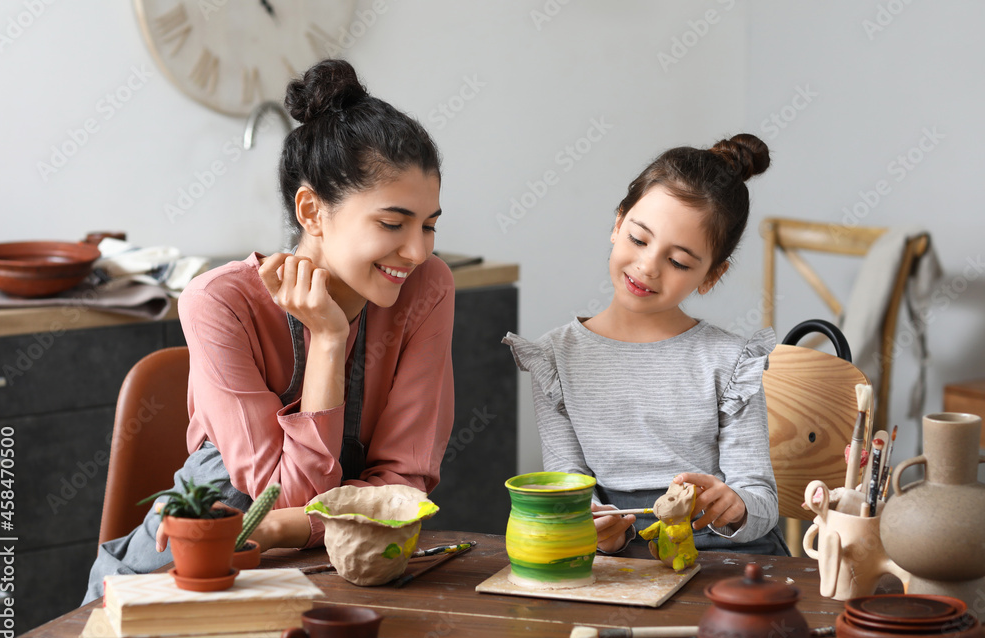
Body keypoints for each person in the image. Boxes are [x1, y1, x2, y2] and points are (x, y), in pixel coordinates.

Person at [84, 59, 455, 603]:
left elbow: (406, 486)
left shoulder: (428, 287)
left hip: (348, 565)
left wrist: (288, 527)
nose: (418, 251)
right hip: (196, 563)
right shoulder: (220, 301)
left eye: (429, 226)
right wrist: (327, 341)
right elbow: (283, 497)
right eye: (393, 224)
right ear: (311, 210)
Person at [503, 134, 789, 556]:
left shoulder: (730, 362)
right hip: (623, 556)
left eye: (678, 262)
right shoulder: (556, 358)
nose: (647, 266)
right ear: (618, 223)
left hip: (724, 557)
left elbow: (762, 504)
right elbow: (569, 483)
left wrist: (735, 507)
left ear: (711, 275)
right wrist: (599, 529)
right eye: (639, 239)